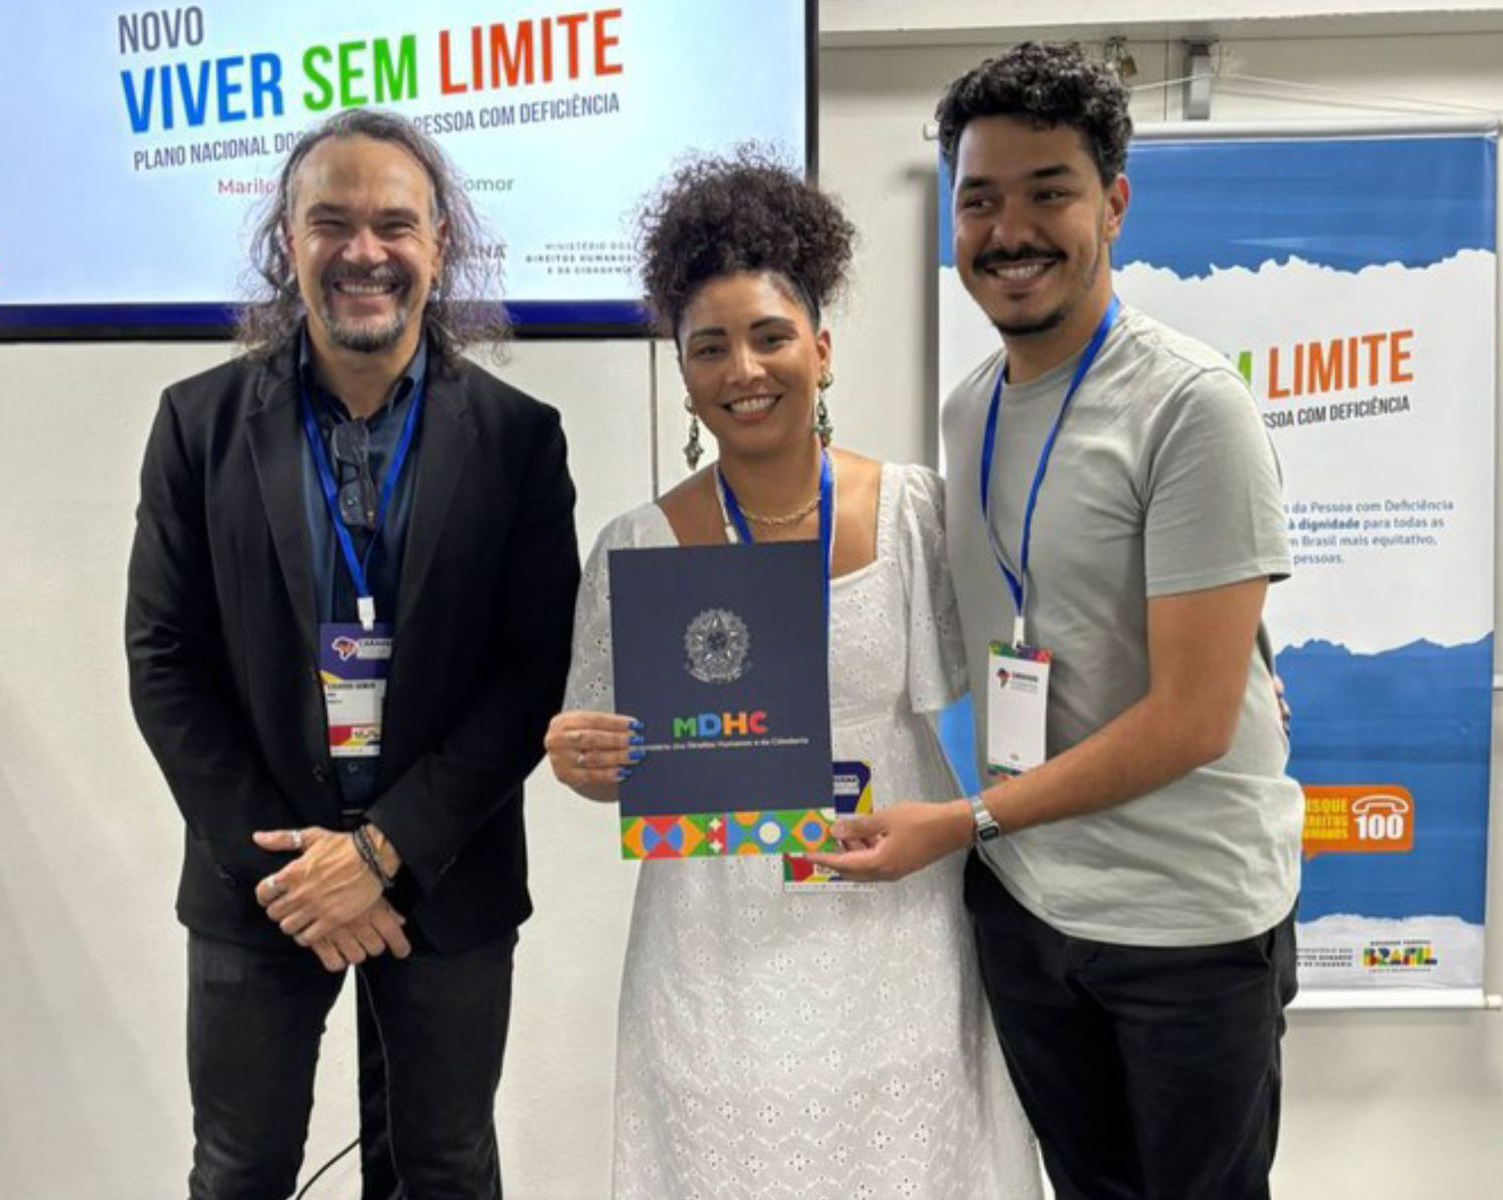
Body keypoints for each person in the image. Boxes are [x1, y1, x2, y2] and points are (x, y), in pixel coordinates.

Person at [812, 43, 1303, 1200]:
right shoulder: (968, 406)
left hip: (1185, 927)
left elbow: (1188, 718)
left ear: (1114, 203)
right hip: (1030, 905)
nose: (1009, 229)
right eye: (979, 199)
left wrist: (967, 817)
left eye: (1049, 192)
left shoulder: (1192, 408)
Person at [545, 151, 1040, 1200]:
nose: (743, 370)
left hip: (896, 933)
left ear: (819, 345)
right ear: (682, 371)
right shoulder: (636, 549)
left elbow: (1003, 714)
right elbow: (609, 767)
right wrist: (582, 761)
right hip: (711, 962)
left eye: (770, 336)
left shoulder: (917, 513)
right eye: (708, 347)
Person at [126, 108, 578, 1200]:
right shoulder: (197, 423)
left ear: (439, 245)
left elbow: (529, 674)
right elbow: (164, 660)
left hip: (449, 874)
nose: (363, 252)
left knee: (441, 1172)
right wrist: (301, 872)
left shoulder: (521, 439)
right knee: (237, 1173)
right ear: (288, 241)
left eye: (394, 224)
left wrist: (383, 853)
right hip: (259, 883)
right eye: (330, 222)